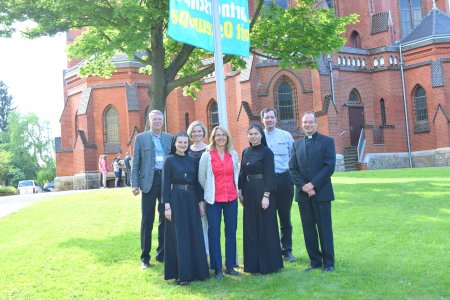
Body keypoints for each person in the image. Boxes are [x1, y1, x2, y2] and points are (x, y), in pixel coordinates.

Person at [289, 112, 336, 273]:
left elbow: (329, 166)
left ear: (316, 124)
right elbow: (292, 168)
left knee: (324, 228)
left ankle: (328, 263)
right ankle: (315, 261)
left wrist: (313, 185)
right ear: (302, 125)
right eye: (305, 122)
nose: (307, 125)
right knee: (308, 229)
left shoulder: (327, 141)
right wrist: (303, 186)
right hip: (303, 195)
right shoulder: (297, 144)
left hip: (321, 193)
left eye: (310, 122)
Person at [162, 132, 209, 285]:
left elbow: (197, 184)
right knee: (180, 235)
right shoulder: (169, 161)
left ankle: (198, 271)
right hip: (176, 199)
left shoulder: (192, 160)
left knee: (194, 234)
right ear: (175, 143)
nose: (182, 145)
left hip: (191, 199)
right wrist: (167, 207)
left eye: (185, 142)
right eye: (180, 142)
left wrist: (201, 202)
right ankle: (182, 274)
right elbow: (165, 185)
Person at [238, 124, 283, 274]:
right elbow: (242, 173)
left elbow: (270, 174)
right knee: (251, 228)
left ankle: (268, 264)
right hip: (249, 192)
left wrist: (266, 196)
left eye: (256, 133)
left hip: (263, 191)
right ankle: (252, 265)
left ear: (261, 135)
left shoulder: (267, 152)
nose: (253, 136)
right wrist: (240, 191)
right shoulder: (245, 151)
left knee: (265, 227)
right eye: (250, 133)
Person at [132, 110, 173, 269]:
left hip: (166, 180)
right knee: (147, 219)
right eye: (154, 119)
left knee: (165, 217)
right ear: (150, 121)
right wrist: (134, 184)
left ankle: (162, 253)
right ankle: (145, 257)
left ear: (163, 121)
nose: (157, 122)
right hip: (149, 181)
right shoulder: (141, 138)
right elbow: (136, 163)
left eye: (159, 119)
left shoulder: (169, 138)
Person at [198, 126, 240, 279]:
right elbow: (202, 178)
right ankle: (217, 268)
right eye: (218, 135)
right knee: (214, 233)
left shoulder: (233, 154)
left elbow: (237, 174)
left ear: (227, 137)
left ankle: (230, 266)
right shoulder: (207, 156)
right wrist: (210, 190)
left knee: (231, 232)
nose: (221, 137)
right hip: (213, 200)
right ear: (213, 138)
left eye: (223, 135)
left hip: (231, 199)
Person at [260, 108, 297, 262]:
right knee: (267, 217)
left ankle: (287, 250)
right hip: (265, 182)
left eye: (271, 117)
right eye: (266, 118)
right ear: (262, 120)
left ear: (276, 119)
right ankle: (271, 250)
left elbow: (293, 158)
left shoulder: (286, 136)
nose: (269, 120)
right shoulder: (258, 136)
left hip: (284, 180)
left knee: (284, 217)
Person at [187, 120, 209, 254]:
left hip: (207, 190)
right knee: (193, 223)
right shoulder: (186, 150)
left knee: (206, 223)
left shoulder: (209, 149)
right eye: (194, 131)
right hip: (191, 192)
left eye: (199, 131)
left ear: (204, 132)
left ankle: (206, 253)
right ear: (190, 133)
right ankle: (195, 252)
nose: (197, 134)